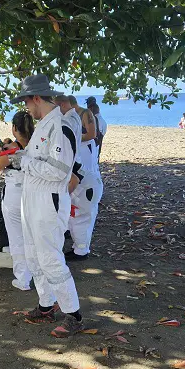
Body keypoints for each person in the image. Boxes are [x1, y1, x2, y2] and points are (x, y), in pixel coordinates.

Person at [12, 74, 84, 337]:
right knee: (33, 254)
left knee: (50, 257)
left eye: (26, 102)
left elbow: (59, 171)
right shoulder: (44, 124)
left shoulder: (60, 127)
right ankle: (46, 305)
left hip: (48, 200)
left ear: (36, 98)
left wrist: (25, 162)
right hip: (32, 199)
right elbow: (37, 157)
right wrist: (21, 155)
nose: (26, 108)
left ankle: (73, 314)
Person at [0, 111, 35, 290]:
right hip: (36, 193)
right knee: (34, 236)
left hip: (15, 194)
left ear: (14, 128)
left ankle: (23, 279)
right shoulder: (38, 145)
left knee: (17, 237)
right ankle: (40, 274)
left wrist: (1, 152)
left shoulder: (13, 149)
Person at [66, 95, 104, 261]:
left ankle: (81, 250)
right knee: (80, 213)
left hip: (85, 173)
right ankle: (78, 244)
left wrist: (70, 139)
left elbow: (92, 134)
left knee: (82, 215)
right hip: (85, 171)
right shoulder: (77, 115)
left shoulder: (84, 114)